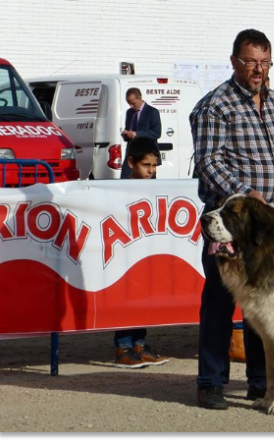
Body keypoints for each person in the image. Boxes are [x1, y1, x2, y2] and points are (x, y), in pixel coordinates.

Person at [190, 29, 274, 410]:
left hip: (268, 227)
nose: (258, 69)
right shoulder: (215, 105)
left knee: (266, 302)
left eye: (264, 62)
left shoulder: (273, 102)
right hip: (230, 222)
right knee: (221, 301)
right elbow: (208, 162)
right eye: (250, 61)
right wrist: (245, 194)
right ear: (234, 62)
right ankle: (211, 383)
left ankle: (263, 382)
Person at [113, 137, 170, 367]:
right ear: (131, 163)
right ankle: (123, 347)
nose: (151, 171)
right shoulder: (120, 190)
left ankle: (139, 344)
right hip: (125, 257)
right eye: (146, 165)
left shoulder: (154, 188)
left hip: (144, 255)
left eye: (154, 166)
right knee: (127, 299)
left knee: (142, 300)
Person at [120, 88, 162, 179]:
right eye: (129, 103)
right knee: (125, 180)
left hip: (146, 154)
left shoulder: (152, 112)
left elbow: (156, 133)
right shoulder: (129, 112)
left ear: (140, 98)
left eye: (133, 103)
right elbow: (129, 129)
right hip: (132, 153)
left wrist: (137, 134)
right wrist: (127, 134)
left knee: (147, 182)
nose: (131, 106)